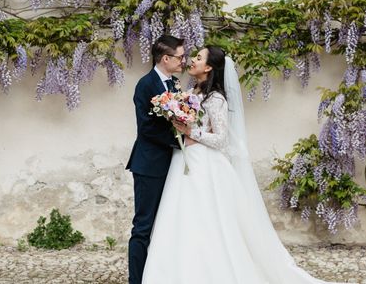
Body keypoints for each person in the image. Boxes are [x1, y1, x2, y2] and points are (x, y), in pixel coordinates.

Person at [141, 46, 346, 284]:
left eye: (198, 57)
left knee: (205, 221)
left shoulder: (216, 99)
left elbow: (221, 139)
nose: (191, 61)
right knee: (179, 219)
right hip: (184, 161)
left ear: (208, 67)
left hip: (204, 164)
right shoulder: (189, 91)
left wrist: (191, 131)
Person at [125, 34, 186, 284]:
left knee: (166, 225)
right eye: (180, 57)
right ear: (165, 58)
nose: (184, 61)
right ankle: (136, 281)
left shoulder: (174, 84)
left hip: (170, 164)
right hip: (149, 165)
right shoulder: (146, 84)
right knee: (143, 227)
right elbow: (147, 128)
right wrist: (179, 139)